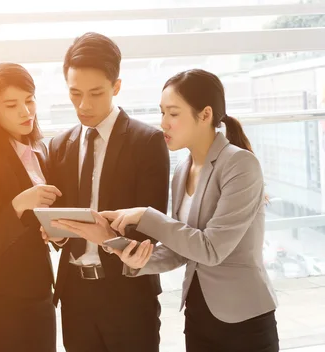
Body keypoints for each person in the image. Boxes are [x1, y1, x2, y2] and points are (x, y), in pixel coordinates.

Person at [102, 69, 279, 352]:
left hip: (244, 321)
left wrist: (147, 216)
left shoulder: (240, 165)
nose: (163, 124)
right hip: (198, 316)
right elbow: (182, 249)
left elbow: (211, 249)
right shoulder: (182, 170)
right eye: (162, 113)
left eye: (173, 114)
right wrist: (139, 261)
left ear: (205, 114)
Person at [46, 32, 170, 352]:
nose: (83, 105)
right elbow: (61, 221)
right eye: (75, 93)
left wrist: (111, 240)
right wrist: (56, 234)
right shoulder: (60, 146)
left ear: (116, 87)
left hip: (128, 298)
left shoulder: (147, 142)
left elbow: (152, 231)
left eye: (96, 93)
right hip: (75, 298)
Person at [0, 63, 60, 351]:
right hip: (3, 299)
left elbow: (39, 223)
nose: (25, 111)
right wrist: (20, 203)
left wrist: (58, 233)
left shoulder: (38, 150)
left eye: (29, 100)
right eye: (12, 104)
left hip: (39, 291)